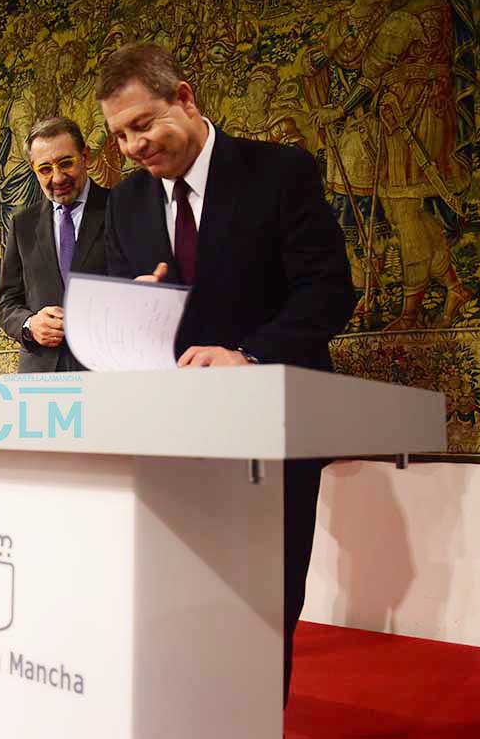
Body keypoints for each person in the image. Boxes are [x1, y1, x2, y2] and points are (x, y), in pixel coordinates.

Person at [96, 43, 356, 703]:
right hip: (168, 437)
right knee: (173, 600)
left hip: (269, 428)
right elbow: (137, 308)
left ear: (184, 98)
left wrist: (250, 355)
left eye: (142, 124)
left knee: (261, 605)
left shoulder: (279, 171)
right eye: (119, 135)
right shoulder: (126, 202)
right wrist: (133, 306)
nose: (133, 146)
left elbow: (326, 290)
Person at [0, 117, 109, 372]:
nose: (57, 178)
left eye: (66, 163)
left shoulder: (120, 210)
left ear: (85, 156)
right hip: (42, 374)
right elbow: (6, 304)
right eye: (45, 169)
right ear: (33, 169)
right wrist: (30, 324)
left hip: (107, 369)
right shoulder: (22, 225)